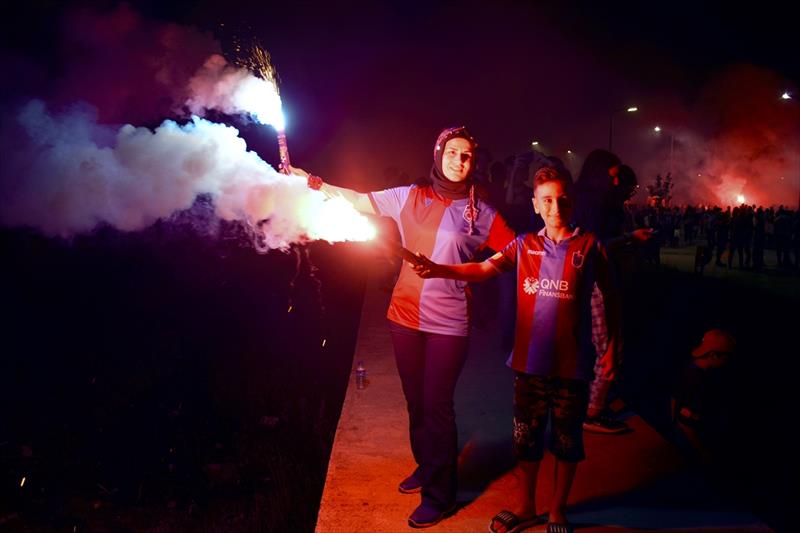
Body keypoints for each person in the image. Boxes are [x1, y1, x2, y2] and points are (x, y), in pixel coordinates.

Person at [292, 126, 515, 528]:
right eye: (452, 152)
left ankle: (440, 495)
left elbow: (513, 253)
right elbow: (359, 200)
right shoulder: (410, 195)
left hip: (449, 323)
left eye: (466, 155)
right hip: (404, 317)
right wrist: (315, 182)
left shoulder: (483, 212)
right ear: (438, 154)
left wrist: (478, 271)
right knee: (416, 402)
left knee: (436, 405)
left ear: (474, 162)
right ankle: (427, 465)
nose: (459, 161)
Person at [413, 165, 620, 533]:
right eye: (547, 200)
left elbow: (611, 299)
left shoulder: (590, 246)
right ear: (535, 205)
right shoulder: (524, 245)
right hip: (529, 366)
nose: (556, 207)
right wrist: (440, 269)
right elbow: (483, 269)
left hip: (571, 368)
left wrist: (611, 349)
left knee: (567, 441)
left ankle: (557, 510)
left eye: (562, 199)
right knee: (527, 440)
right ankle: (526, 507)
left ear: (572, 201)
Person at [671, 329, 736, 463]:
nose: (728, 361)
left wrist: (673, 420)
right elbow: (685, 423)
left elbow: (674, 396)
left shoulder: (690, 366)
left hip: (683, 435)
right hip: (691, 442)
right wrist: (703, 451)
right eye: (727, 356)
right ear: (713, 355)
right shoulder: (696, 382)